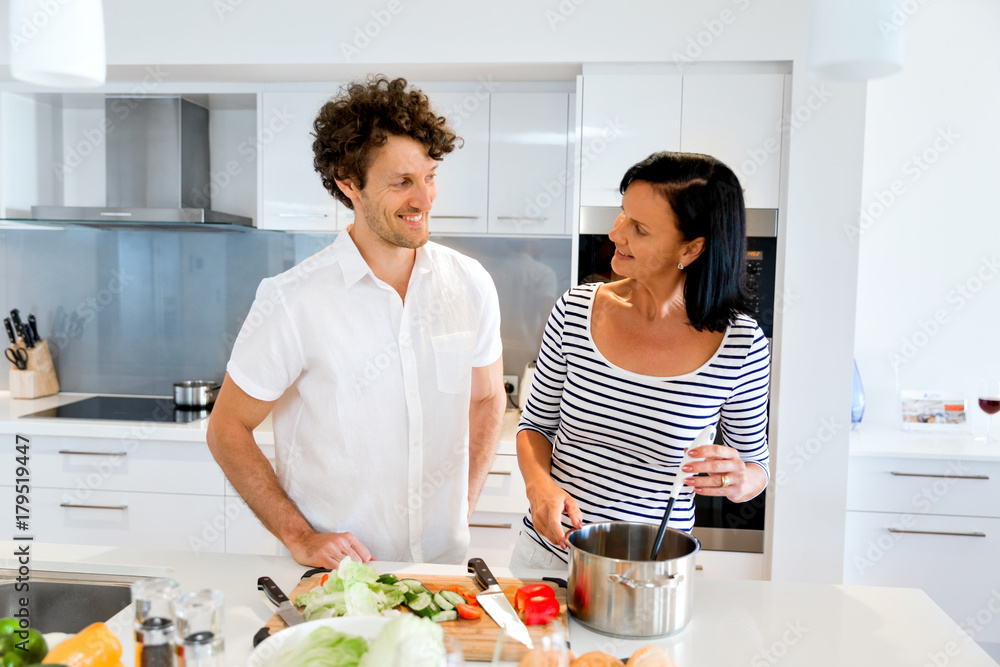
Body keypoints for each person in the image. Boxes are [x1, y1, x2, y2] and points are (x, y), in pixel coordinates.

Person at [207, 76, 506, 568]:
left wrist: (462, 506)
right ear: (350, 184)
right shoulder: (292, 300)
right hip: (337, 578)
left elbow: (489, 397)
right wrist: (300, 535)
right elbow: (227, 429)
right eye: (402, 182)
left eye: (429, 176)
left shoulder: (470, 283)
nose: (425, 200)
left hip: (441, 568)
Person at [513, 151, 770, 567]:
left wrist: (739, 478)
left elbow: (755, 465)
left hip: (654, 570)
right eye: (621, 214)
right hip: (549, 557)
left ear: (691, 248)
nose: (615, 233)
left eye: (640, 228)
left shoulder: (740, 345)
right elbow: (535, 425)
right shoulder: (577, 310)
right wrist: (538, 486)